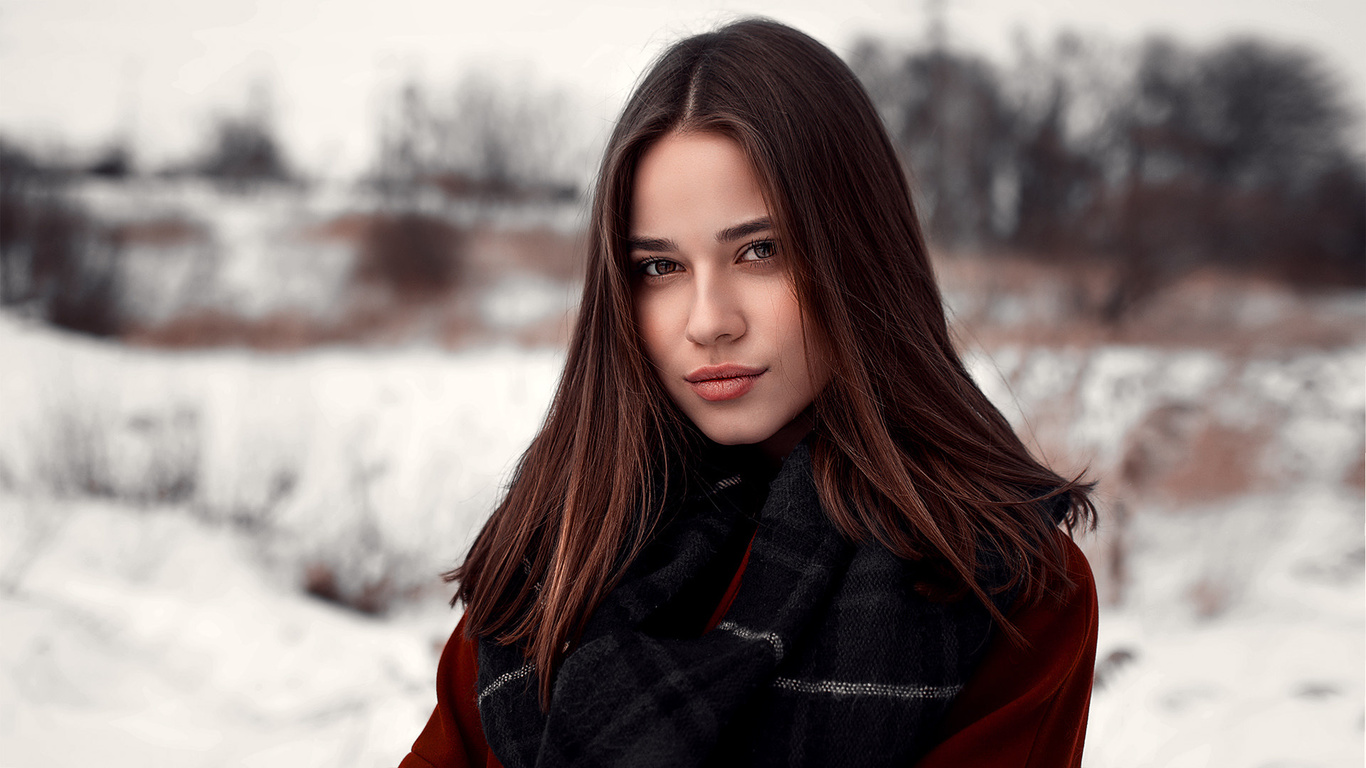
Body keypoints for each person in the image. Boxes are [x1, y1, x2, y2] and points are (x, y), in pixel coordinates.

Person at [400, 18, 1097, 768]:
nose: (709, 323)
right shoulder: (557, 550)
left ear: (859, 253)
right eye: (659, 268)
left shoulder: (1002, 584)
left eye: (761, 252)